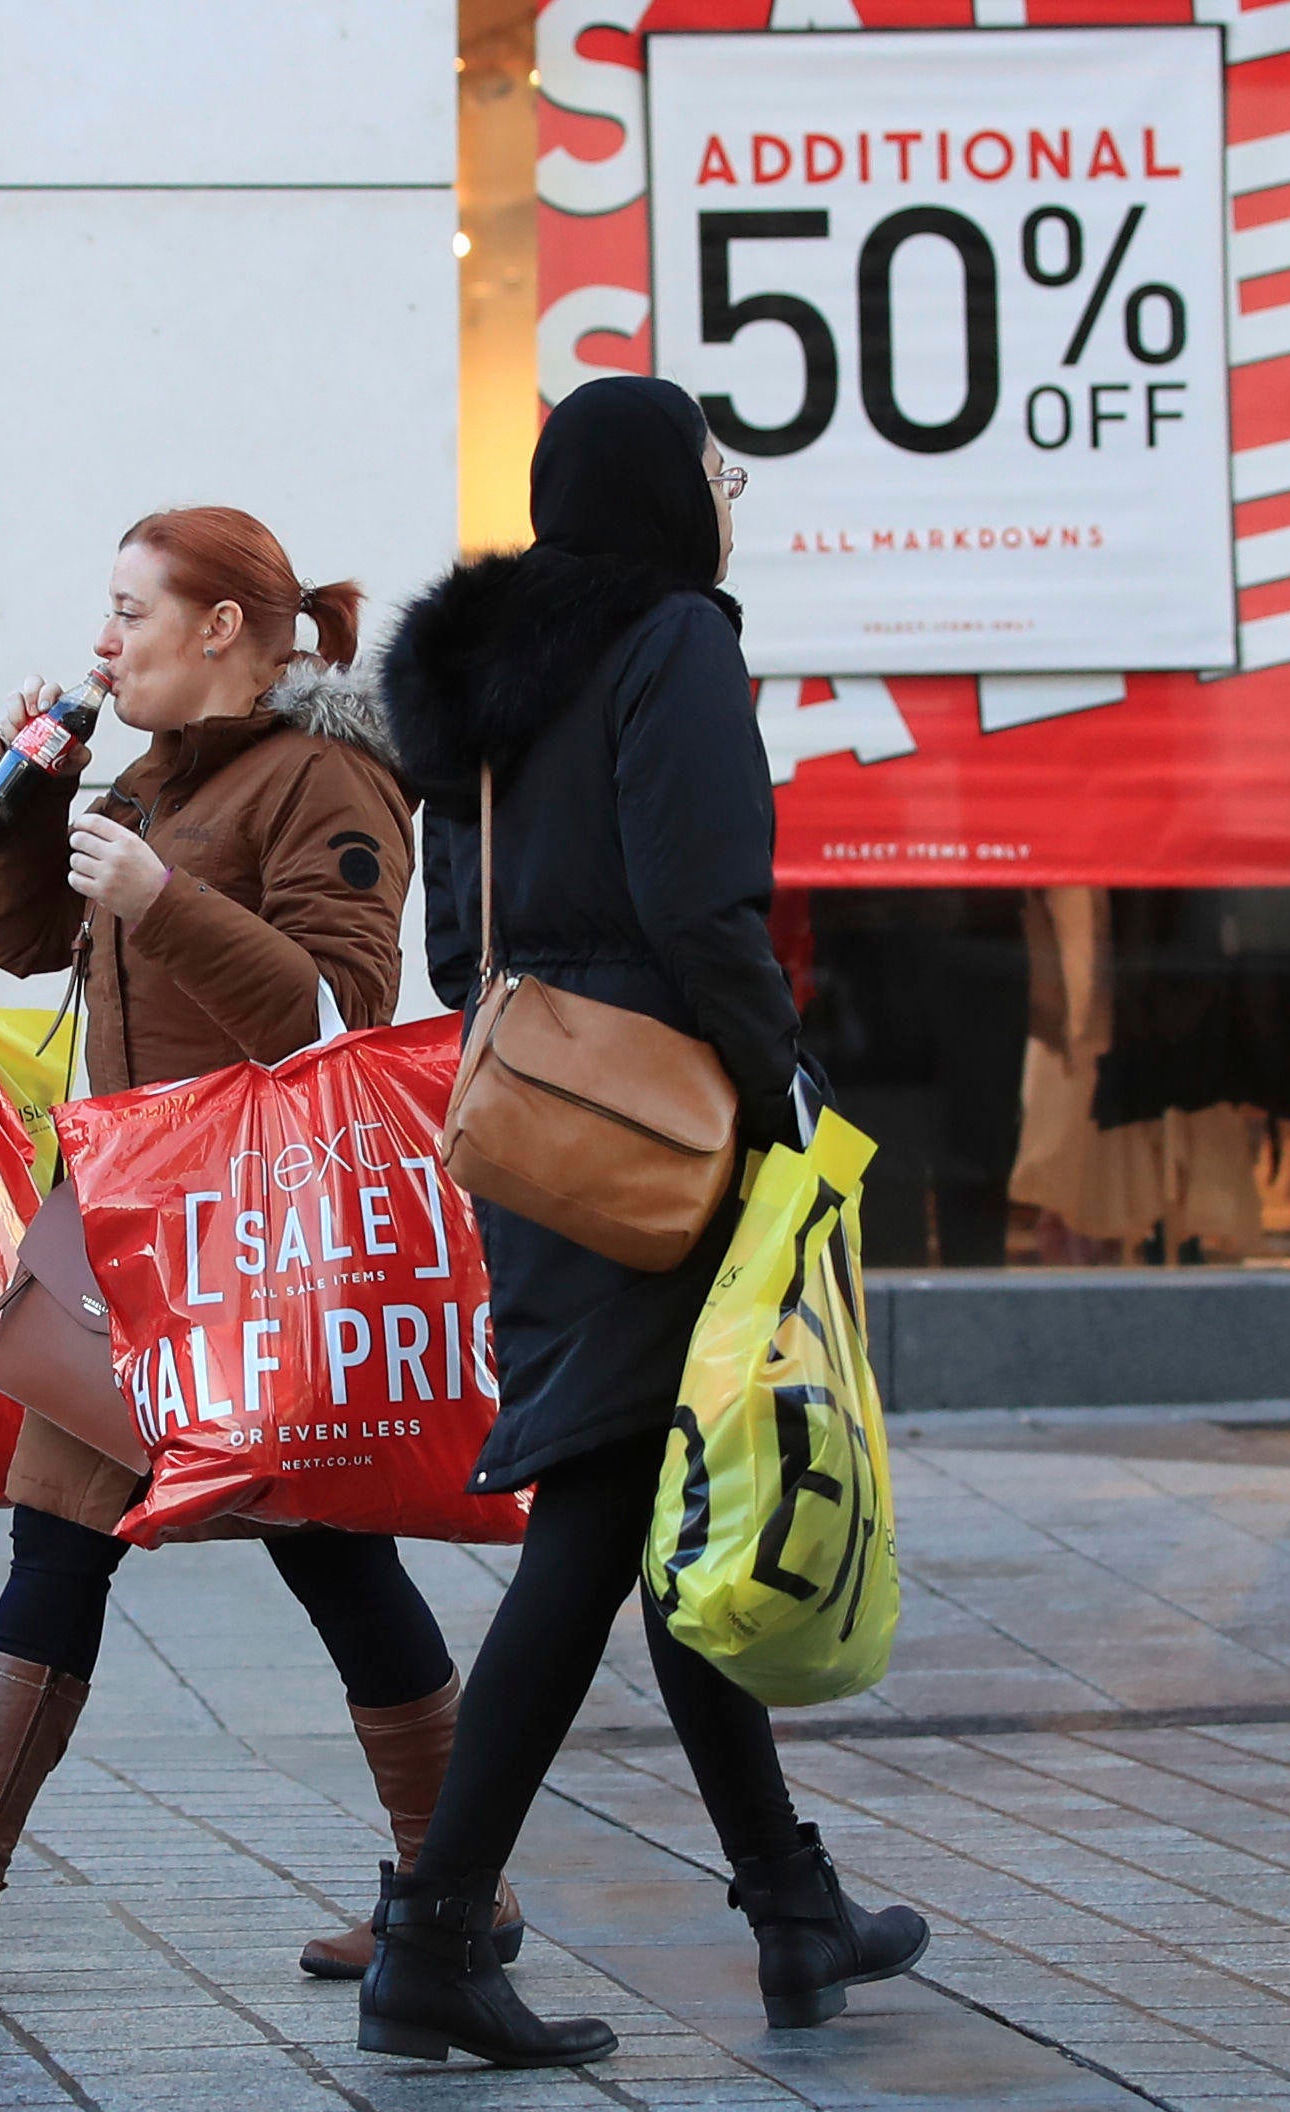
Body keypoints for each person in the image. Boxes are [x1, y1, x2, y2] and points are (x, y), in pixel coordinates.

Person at [0, 505, 500, 1985]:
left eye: (132, 613)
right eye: (105, 614)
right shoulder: (153, 773)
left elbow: (340, 1016)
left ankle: (451, 1884)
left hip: (257, 1241)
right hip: (136, 1232)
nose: (105, 642)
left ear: (225, 628)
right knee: (79, 1531)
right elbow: (31, 938)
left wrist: (165, 901)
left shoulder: (331, 777)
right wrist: (29, 800)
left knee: (331, 1555)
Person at [364, 375, 926, 2067]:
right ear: (656, 487)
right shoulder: (670, 638)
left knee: (645, 1503)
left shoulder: (481, 678)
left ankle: (785, 1902)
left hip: (538, 1122)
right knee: (606, 1519)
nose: (726, 490)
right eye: (712, 461)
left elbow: (457, 937)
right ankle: (435, 1930)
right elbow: (705, 901)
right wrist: (785, 1092)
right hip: (663, 1121)